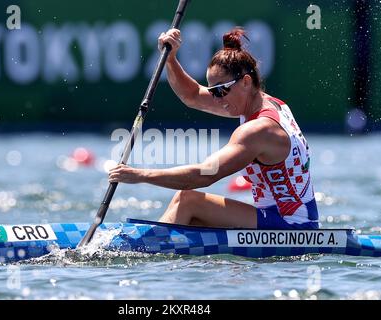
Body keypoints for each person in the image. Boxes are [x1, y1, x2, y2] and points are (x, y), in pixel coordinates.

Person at [108, 27, 319, 230]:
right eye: (213, 92)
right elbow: (191, 95)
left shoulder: (258, 130)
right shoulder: (266, 103)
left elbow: (205, 175)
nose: (217, 100)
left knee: (188, 200)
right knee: (189, 216)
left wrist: (139, 175)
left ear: (246, 82)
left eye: (221, 91)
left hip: (293, 227)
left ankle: (145, 253)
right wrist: (170, 59)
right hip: (276, 219)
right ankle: (153, 247)